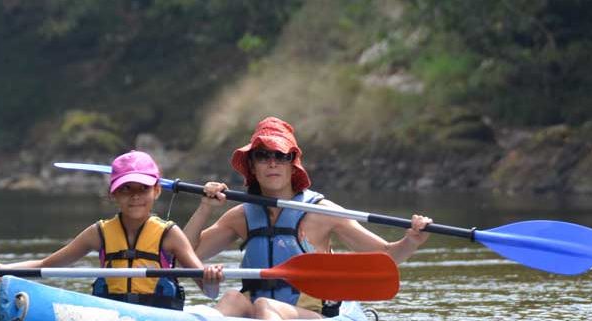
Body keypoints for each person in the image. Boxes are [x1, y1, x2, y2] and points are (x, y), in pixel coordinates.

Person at [183, 117, 432, 320]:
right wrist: (205, 207)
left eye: (281, 156)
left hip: (310, 314)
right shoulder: (241, 216)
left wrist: (412, 240)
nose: (272, 163)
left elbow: (386, 256)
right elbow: (184, 255)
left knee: (265, 307)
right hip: (256, 309)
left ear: (293, 166)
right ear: (252, 166)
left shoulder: (323, 212)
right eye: (262, 156)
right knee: (231, 298)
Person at [0, 150, 223, 311]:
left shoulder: (170, 234)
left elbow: (208, 291)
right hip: (112, 313)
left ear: (156, 191)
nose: (135, 196)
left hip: (158, 313)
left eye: (143, 189)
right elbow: (48, 264)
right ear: (112, 194)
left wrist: (210, 277)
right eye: (126, 189)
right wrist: (0, 269)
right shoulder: (99, 233)